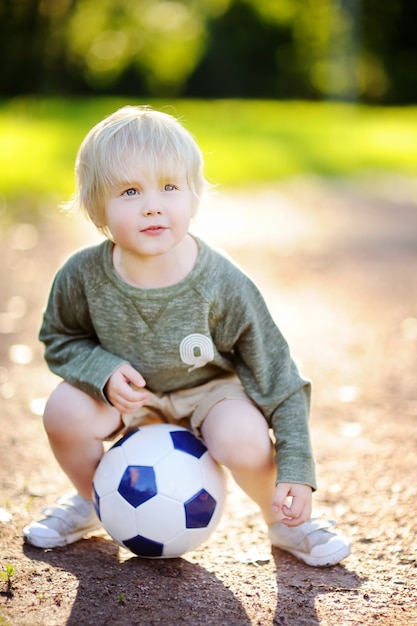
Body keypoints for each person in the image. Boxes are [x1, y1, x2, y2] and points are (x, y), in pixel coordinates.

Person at [23, 105, 350, 567]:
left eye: (170, 187)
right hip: (130, 398)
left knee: (243, 437)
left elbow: (278, 376)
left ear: (194, 197)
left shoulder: (221, 283)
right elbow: (59, 338)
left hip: (210, 395)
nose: (153, 204)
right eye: (131, 190)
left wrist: (296, 468)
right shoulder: (82, 276)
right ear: (97, 207)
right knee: (63, 410)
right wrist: (102, 370)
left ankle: (286, 522)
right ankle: (95, 498)